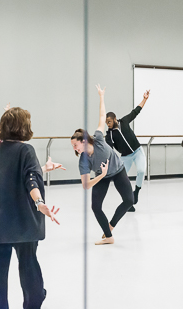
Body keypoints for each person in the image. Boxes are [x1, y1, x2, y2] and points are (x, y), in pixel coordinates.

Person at [0, 107, 63, 309]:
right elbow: (30, 179)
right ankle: (34, 301)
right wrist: (40, 203)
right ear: (24, 127)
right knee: (29, 266)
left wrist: (42, 170)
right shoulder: (26, 150)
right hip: (19, 221)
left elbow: (21, 176)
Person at [71, 84, 134, 245]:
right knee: (95, 206)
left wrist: (101, 96)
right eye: (73, 146)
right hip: (102, 176)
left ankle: (111, 225)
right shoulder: (83, 160)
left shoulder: (98, 138)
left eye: (75, 145)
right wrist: (103, 175)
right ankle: (109, 237)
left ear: (84, 141)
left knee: (129, 200)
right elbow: (85, 185)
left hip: (118, 170)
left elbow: (101, 116)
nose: (74, 148)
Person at [105, 89, 150, 212]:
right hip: (125, 156)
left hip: (137, 151)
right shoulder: (109, 134)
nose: (107, 124)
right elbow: (109, 148)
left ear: (114, 119)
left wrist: (145, 99)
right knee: (120, 178)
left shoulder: (124, 121)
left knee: (141, 170)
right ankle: (128, 201)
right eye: (106, 123)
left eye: (109, 122)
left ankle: (136, 192)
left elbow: (136, 111)